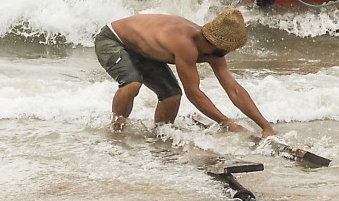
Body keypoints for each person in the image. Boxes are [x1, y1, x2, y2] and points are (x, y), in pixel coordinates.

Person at [93, 8, 277, 137]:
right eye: (224, 50)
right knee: (132, 83)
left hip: (142, 48)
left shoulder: (215, 52)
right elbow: (194, 93)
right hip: (113, 39)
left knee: (172, 95)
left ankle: (160, 134)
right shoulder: (186, 44)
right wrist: (225, 122)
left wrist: (265, 126)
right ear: (213, 42)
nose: (225, 54)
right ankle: (116, 129)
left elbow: (234, 90)